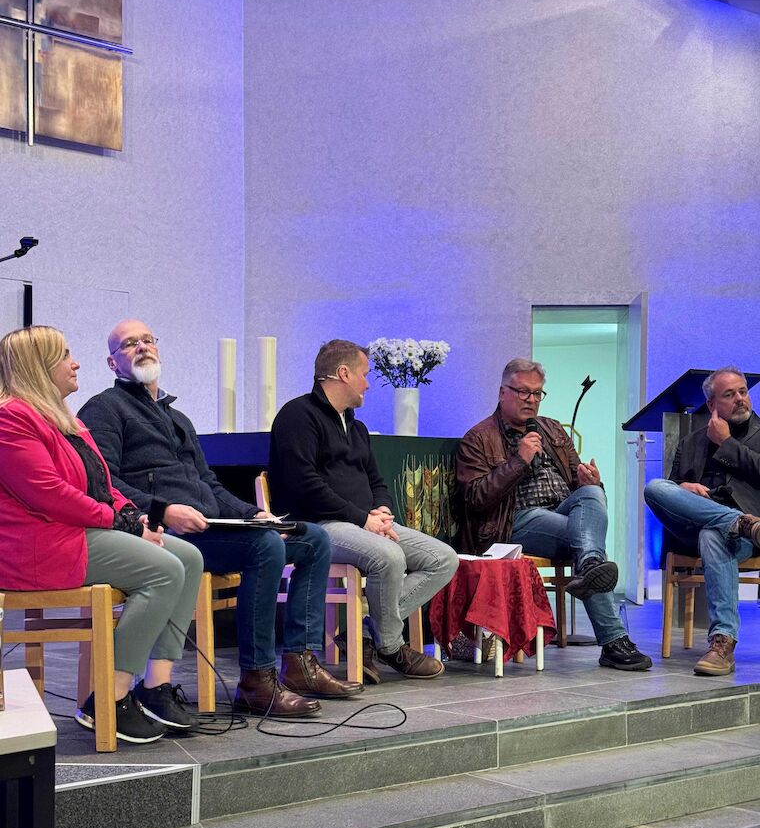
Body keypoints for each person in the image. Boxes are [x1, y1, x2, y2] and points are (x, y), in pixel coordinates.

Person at [78, 319, 361, 718]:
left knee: (312, 538)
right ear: (112, 363)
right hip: (162, 535)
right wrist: (163, 511)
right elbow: (104, 482)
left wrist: (253, 513)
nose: (141, 347)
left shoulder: (178, 418)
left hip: (212, 528)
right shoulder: (104, 409)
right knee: (263, 549)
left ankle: (300, 662)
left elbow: (209, 483)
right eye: (128, 344)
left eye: (147, 340)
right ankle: (257, 680)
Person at [0, 325, 204, 744]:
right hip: (43, 545)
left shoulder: (65, 419)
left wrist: (136, 519)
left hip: (75, 532)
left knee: (188, 558)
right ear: (38, 368)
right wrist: (122, 523)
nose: (75, 363)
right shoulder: (11, 417)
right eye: (65, 356)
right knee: (164, 569)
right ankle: (109, 698)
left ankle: (156, 688)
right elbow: (50, 495)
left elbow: (105, 483)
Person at [268, 339, 459, 682]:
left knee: (443, 558)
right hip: (317, 526)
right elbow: (304, 484)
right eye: (364, 374)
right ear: (343, 373)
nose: (369, 383)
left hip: (364, 524)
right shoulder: (297, 416)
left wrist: (382, 511)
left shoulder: (355, 427)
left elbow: (376, 480)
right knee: (388, 556)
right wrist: (363, 519)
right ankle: (391, 646)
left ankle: (370, 634)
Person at [457, 356, 652, 672]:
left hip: (564, 514)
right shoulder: (478, 438)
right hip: (514, 521)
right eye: (522, 392)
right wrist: (519, 461)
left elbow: (577, 481)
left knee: (591, 495)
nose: (531, 400)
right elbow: (476, 499)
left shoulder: (552, 429)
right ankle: (614, 640)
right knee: (588, 542)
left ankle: (589, 566)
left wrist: (591, 480)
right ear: (502, 392)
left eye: (537, 393)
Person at [644, 366, 760, 676]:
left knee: (714, 535)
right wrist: (683, 487)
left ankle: (722, 642)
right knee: (655, 488)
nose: (739, 399)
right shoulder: (690, 442)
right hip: (694, 526)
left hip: (744, 540)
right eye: (729, 394)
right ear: (711, 404)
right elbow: (669, 493)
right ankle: (739, 522)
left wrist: (727, 444)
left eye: (742, 392)